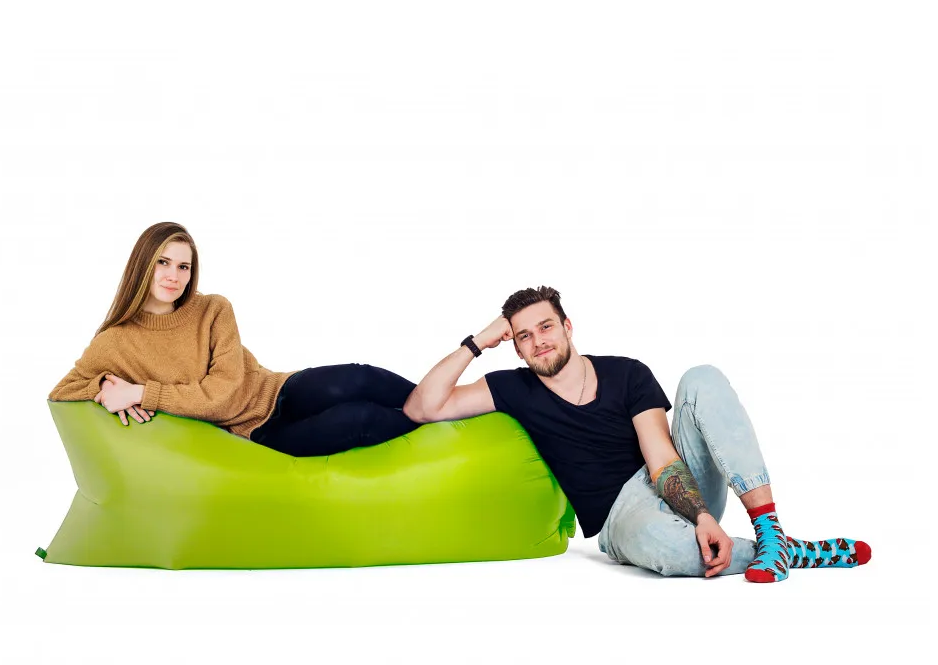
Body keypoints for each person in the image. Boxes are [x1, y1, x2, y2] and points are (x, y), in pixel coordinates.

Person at [403, 285, 871, 582]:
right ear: (517, 348)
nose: (538, 340)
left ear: (567, 327)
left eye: (546, 326)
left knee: (702, 378)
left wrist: (702, 515)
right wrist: (478, 342)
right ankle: (784, 552)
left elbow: (661, 456)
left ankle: (769, 531)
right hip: (621, 517)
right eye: (524, 335)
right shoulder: (511, 388)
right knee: (671, 550)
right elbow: (423, 407)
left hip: (672, 478)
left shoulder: (627, 373)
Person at [49, 222, 419, 456]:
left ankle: (443, 406)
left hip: (276, 389)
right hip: (255, 431)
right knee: (359, 418)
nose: (173, 275)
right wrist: (103, 385)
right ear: (142, 265)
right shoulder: (115, 342)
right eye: (162, 262)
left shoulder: (213, 309)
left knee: (359, 377)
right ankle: (437, 423)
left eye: (183, 266)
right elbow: (62, 392)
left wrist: (139, 392)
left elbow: (222, 392)